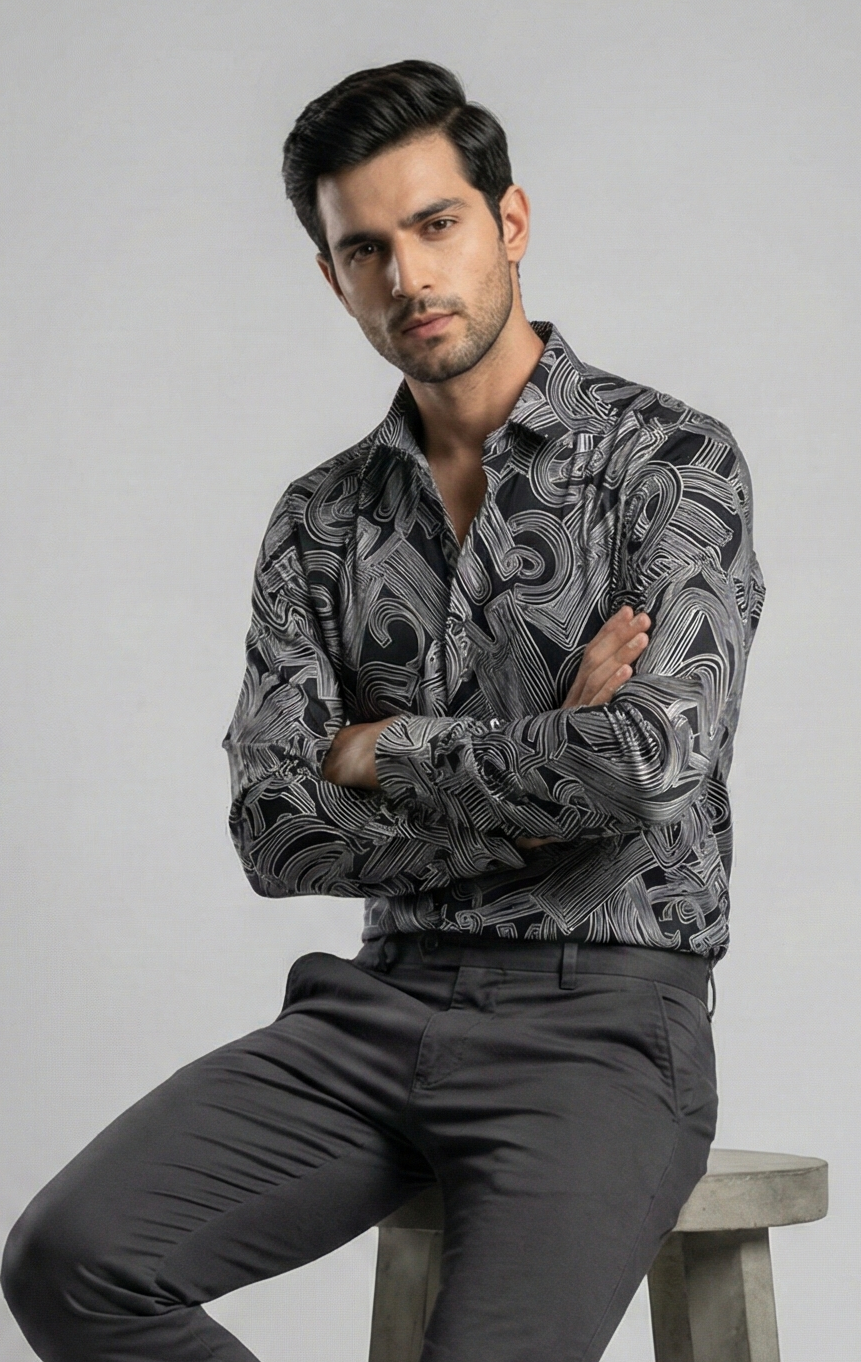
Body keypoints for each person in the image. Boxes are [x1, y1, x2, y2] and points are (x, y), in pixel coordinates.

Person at [2, 59, 765, 1362]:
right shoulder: (320, 521)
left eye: (436, 224)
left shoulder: (668, 463)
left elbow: (651, 761)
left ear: (508, 221)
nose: (408, 275)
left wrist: (380, 750)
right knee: (71, 1261)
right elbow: (272, 827)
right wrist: (535, 803)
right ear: (333, 276)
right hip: (375, 1008)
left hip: (602, 1020)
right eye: (366, 248)